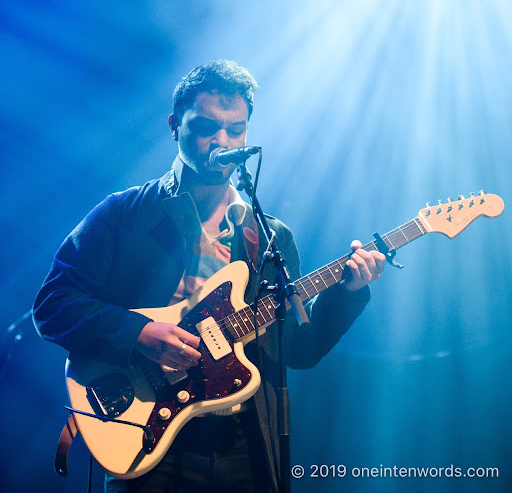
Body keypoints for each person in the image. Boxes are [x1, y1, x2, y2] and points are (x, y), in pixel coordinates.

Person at [33, 59, 386, 493]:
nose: (221, 140)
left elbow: (297, 349)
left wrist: (348, 294)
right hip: (148, 437)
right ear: (174, 126)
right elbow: (52, 305)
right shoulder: (123, 214)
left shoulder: (269, 236)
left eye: (235, 130)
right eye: (205, 126)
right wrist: (139, 333)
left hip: (244, 444)